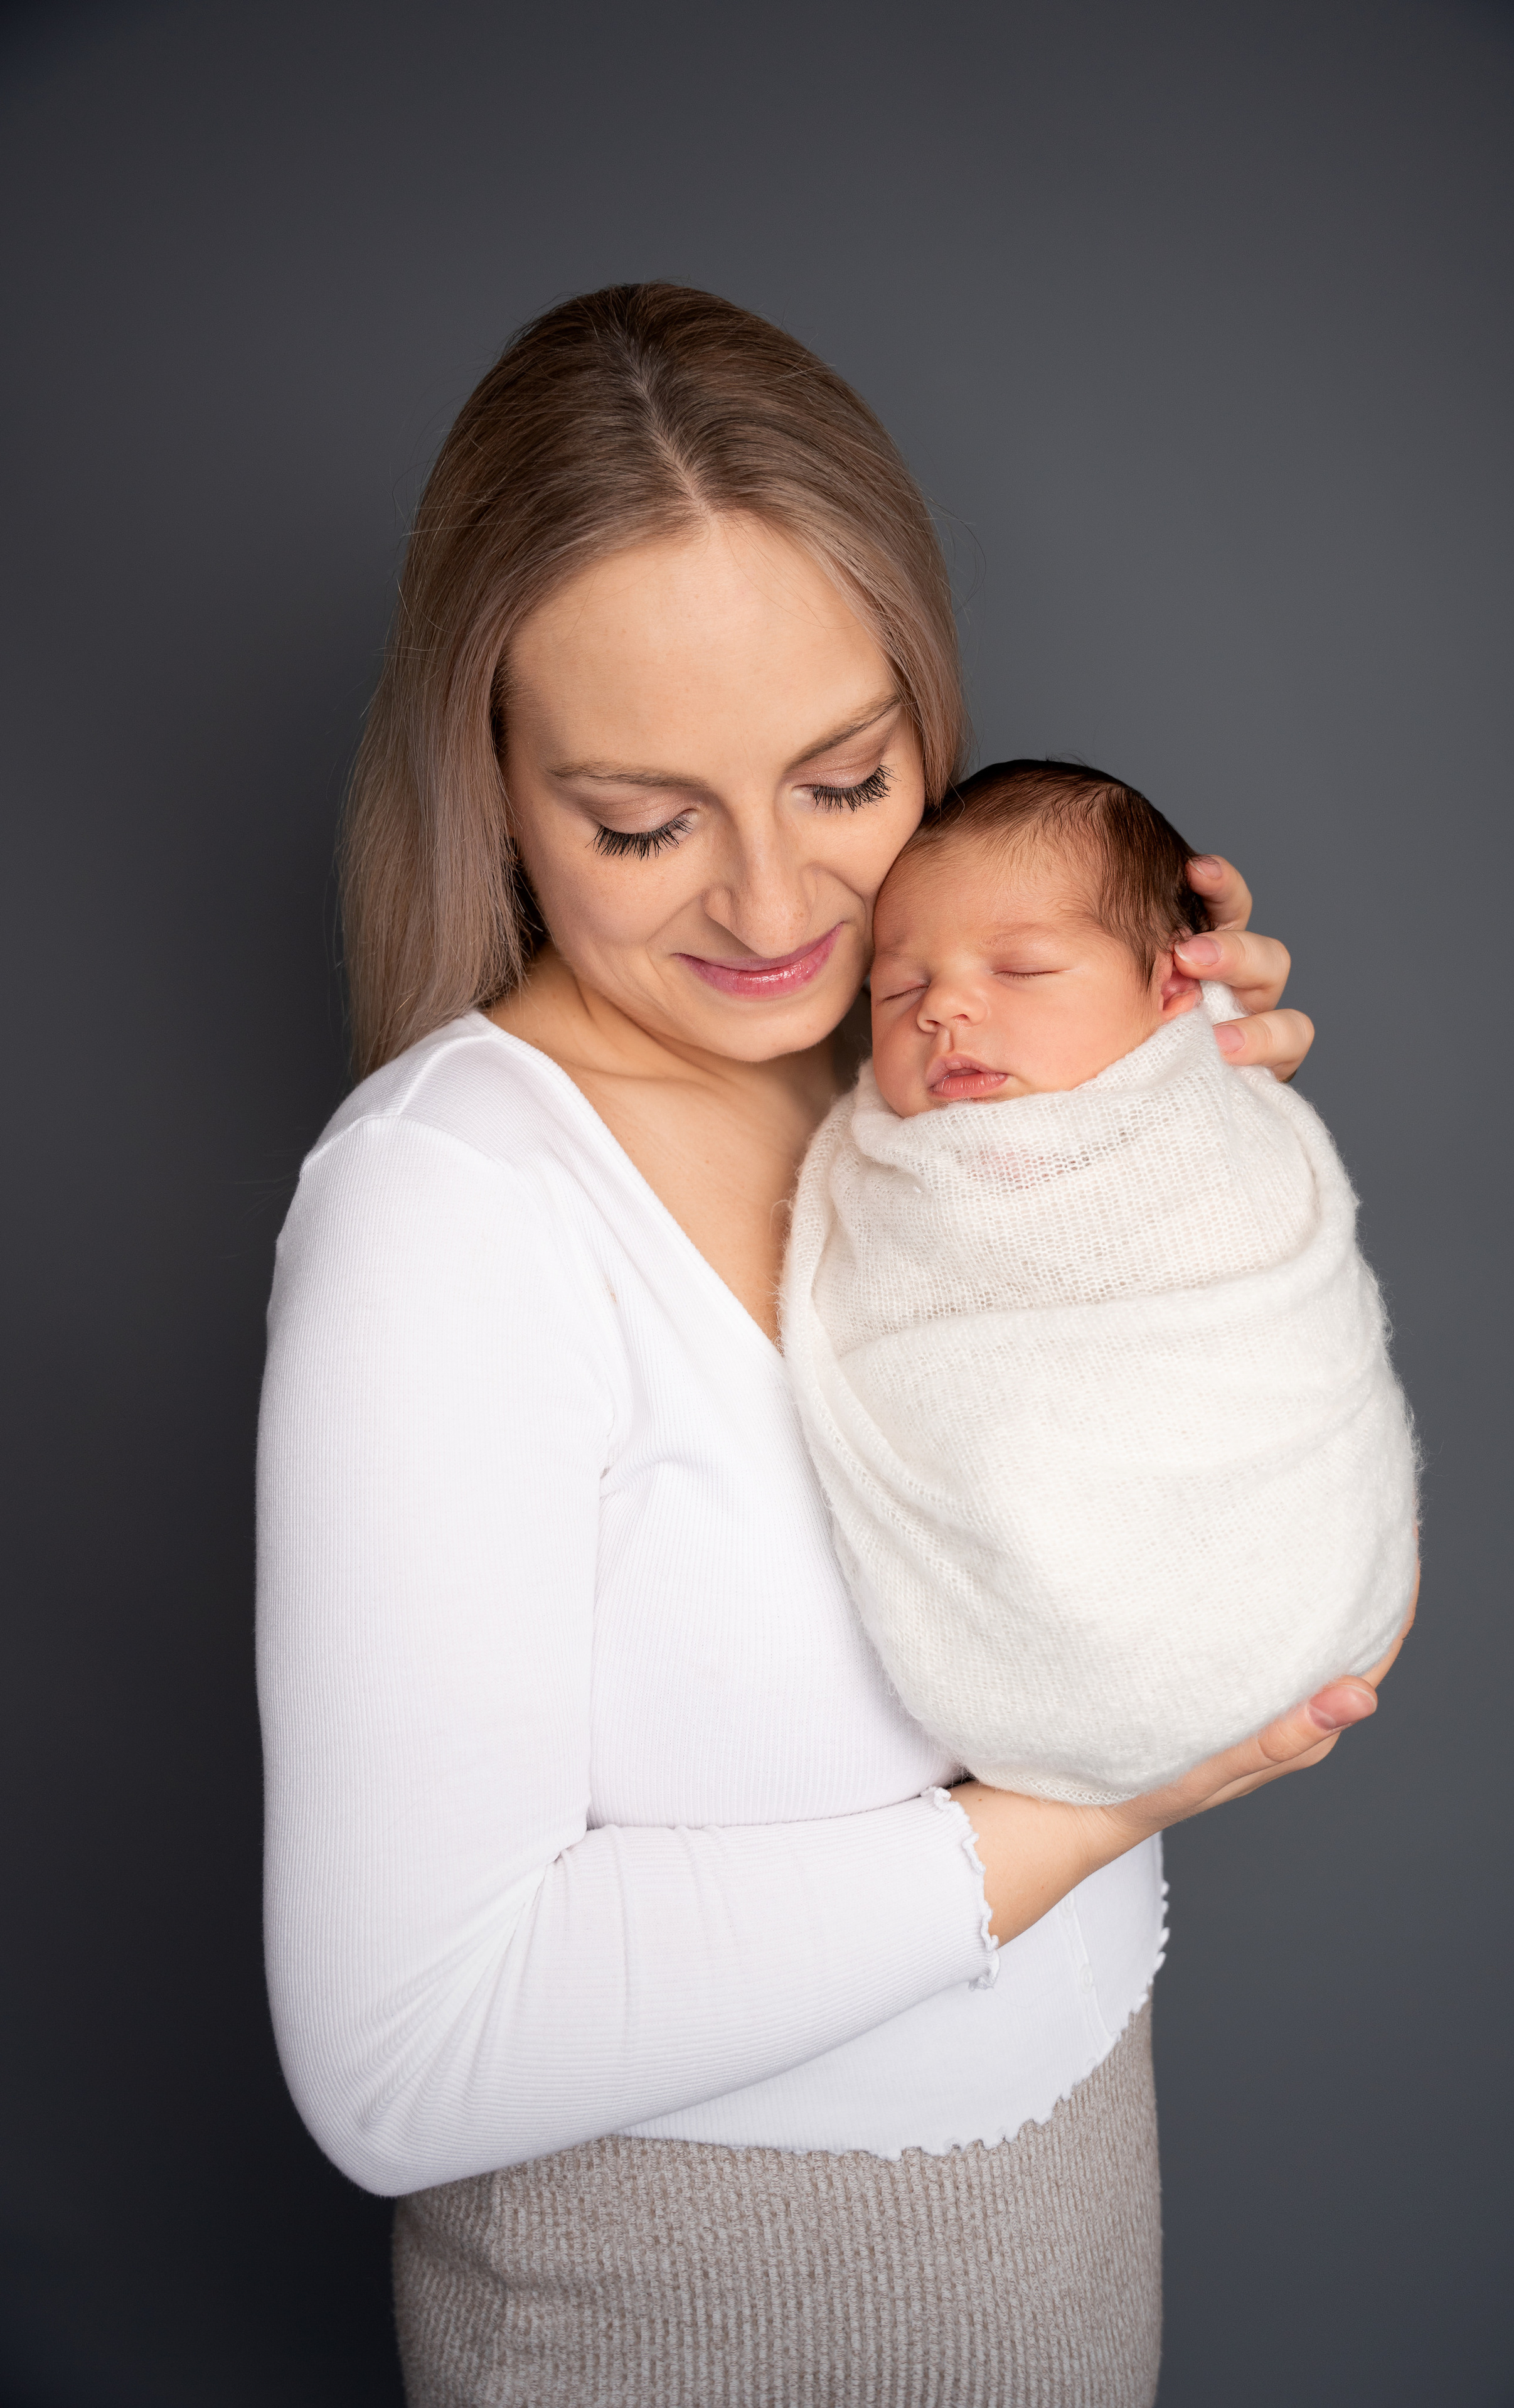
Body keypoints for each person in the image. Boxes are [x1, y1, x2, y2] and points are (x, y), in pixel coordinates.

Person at [257, 283, 1410, 2408]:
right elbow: (405, 2055)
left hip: (1071, 2273)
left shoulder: (933, 1085)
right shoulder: (453, 1211)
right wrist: (1096, 1808)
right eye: (643, 818)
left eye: (848, 776)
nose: (779, 904)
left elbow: (1226, 1468)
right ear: (490, 785)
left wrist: (1177, 1129)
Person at [783, 757, 1418, 1809]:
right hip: (1013, 1657)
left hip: (1259, 1551)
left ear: (1172, 987)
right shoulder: (886, 1159)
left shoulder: (1196, 1113)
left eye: (1022, 969)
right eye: (898, 990)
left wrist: (1213, 1059)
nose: (943, 1009)